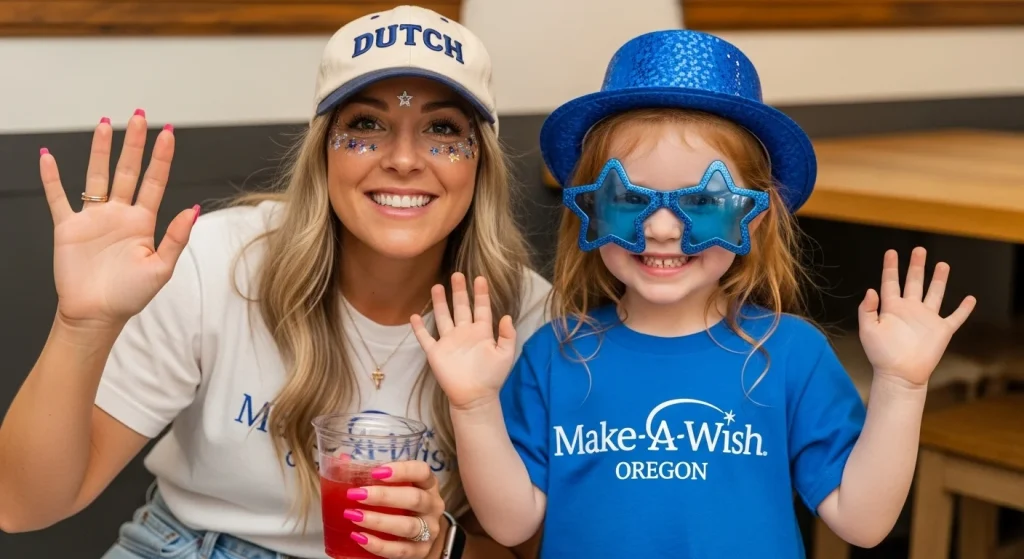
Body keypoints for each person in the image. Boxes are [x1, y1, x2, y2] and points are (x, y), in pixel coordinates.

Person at [0, 5, 551, 559]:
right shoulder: (218, 263)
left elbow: (535, 549)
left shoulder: (529, 319)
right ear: (322, 151)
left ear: (480, 161)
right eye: (365, 125)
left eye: (442, 129)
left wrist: (442, 547)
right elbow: (22, 505)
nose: (404, 159)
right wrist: (83, 326)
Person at [410, 29, 978, 558]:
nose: (662, 230)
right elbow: (511, 525)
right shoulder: (552, 355)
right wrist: (474, 405)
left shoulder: (792, 355)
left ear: (753, 219)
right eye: (629, 199)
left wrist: (902, 387)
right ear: (589, 209)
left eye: (703, 202)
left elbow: (863, 521)